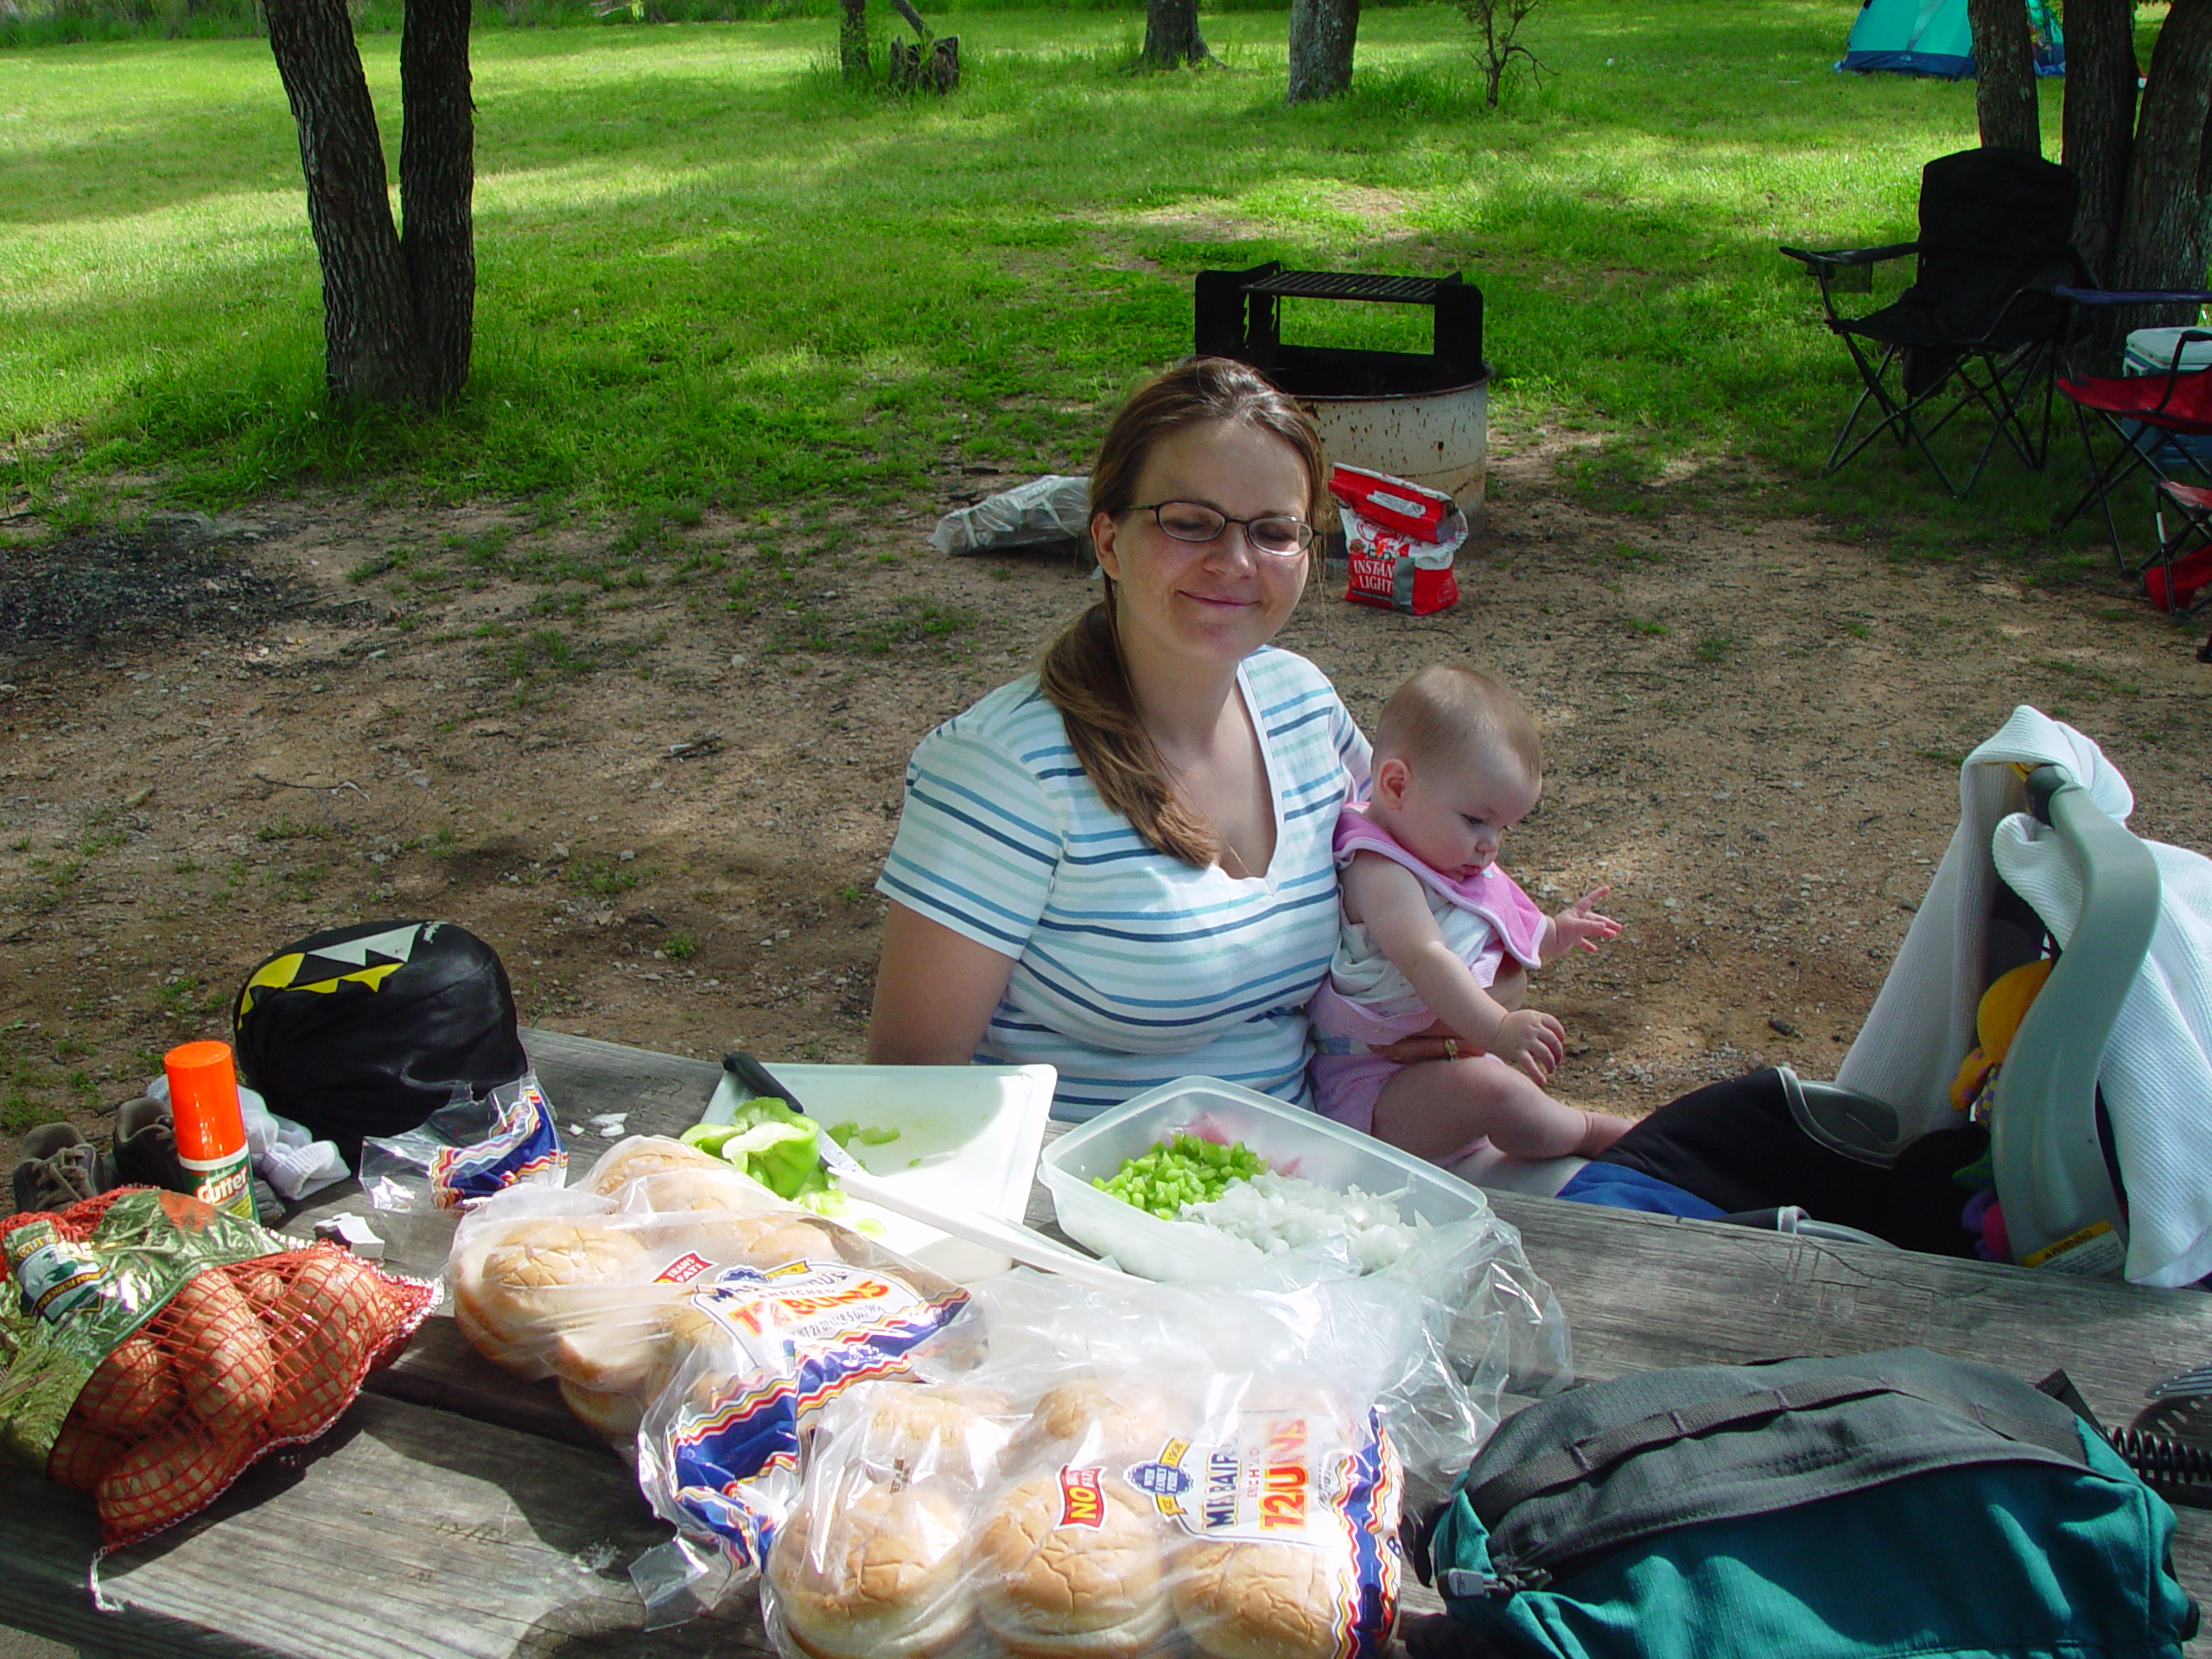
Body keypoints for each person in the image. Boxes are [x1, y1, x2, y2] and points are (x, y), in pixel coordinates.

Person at [865, 358, 1370, 1118]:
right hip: (1073, 1206)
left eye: (1273, 532)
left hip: (1309, 1194)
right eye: (1189, 522)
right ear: (1107, 541)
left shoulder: (1304, 707)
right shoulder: (1003, 769)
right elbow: (909, 1088)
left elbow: (1430, 885)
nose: (1234, 562)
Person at [1307, 664, 1631, 1164]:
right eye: (1477, 821)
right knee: (1497, 1090)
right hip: (1372, 1089)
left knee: (1489, 1086)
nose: (1490, 846)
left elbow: (1485, 924)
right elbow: (1427, 957)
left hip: (1426, 1078)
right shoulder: (1378, 870)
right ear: (1395, 786)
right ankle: (1589, 1133)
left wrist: (1553, 932)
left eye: (1503, 828)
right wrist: (1497, 1031)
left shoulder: (1440, 847)